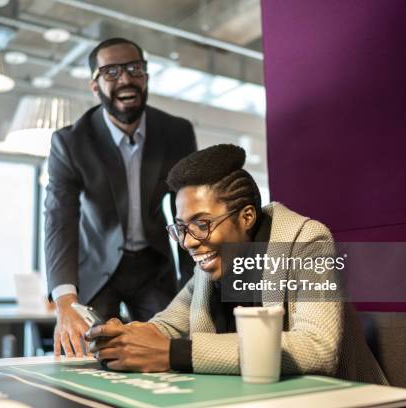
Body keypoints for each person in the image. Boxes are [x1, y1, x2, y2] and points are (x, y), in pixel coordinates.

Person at [87, 144, 387, 384]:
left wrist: (175, 354)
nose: (188, 241)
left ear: (246, 217)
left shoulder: (309, 242)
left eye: (201, 224)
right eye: (180, 228)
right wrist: (124, 337)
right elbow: (166, 327)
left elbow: (317, 348)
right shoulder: (211, 263)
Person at [44, 38, 197, 358]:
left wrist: (195, 280)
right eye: (111, 72)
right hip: (97, 270)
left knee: (169, 349)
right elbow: (61, 219)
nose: (125, 78)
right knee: (89, 355)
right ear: (95, 85)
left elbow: (188, 207)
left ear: (146, 76)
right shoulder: (71, 142)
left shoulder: (177, 132)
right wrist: (65, 300)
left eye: (134, 69)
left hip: (154, 268)